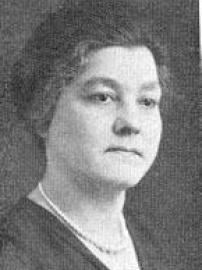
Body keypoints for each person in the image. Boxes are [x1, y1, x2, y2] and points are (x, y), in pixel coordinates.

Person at [0, 0, 171, 269]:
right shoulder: (13, 253)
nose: (131, 123)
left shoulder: (151, 245)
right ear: (44, 111)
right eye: (103, 97)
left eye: (147, 101)